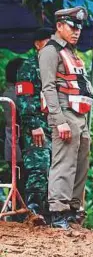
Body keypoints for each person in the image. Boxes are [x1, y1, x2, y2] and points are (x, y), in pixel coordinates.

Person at [39, 7, 93, 229]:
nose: (77, 31)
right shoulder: (50, 51)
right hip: (64, 112)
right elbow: (48, 87)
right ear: (59, 26)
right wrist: (59, 119)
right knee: (64, 161)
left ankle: (72, 209)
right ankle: (58, 211)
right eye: (72, 26)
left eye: (79, 27)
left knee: (81, 160)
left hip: (80, 114)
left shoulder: (71, 51)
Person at [16, 28, 54, 222]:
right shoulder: (29, 68)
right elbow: (24, 99)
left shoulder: (56, 66)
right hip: (36, 127)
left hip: (54, 126)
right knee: (39, 167)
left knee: (55, 171)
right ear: (37, 44)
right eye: (47, 44)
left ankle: (50, 214)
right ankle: (34, 210)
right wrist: (33, 124)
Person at [2, 58, 25, 205]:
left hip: (14, 146)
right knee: (22, 183)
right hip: (18, 147)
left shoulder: (9, 92)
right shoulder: (14, 94)